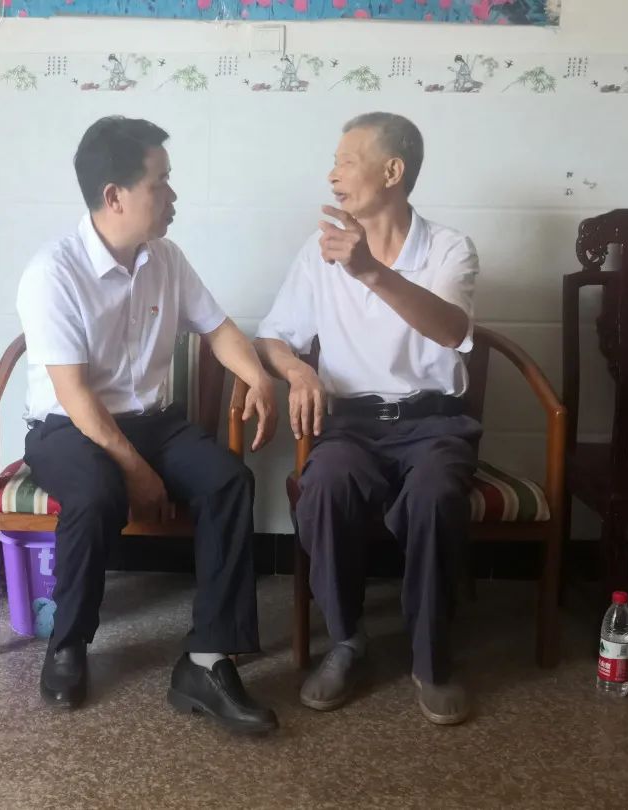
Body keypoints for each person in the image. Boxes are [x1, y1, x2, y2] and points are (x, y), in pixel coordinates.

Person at [16, 116, 280, 734]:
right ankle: (68, 643)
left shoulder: (166, 258)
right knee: (95, 492)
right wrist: (134, 469)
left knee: (229, 481)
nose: (173, 195)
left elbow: (218, 330)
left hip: (154, 421)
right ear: (115, 196)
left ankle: (207, 659)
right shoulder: (53, 272)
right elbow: (76, 396)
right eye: (161, 183)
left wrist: (260, 378)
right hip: (68, 427)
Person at [255, 112, 481, 725]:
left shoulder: (449, 248)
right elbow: (273, 337)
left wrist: (370, 271)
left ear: (392, 171)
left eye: (346, 161)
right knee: (325, 486)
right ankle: (347, 640)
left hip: (433, 423)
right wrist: (298, 372)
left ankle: (430, 657)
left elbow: (452, 330)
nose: (332, 176)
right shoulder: (319, 252)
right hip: (352, 424)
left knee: (434, 495)